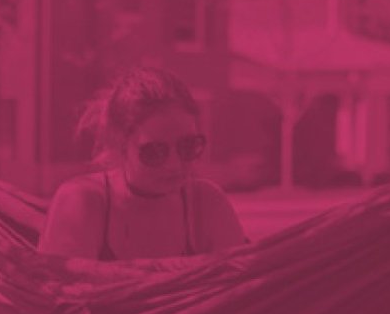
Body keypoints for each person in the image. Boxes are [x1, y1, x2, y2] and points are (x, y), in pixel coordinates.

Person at [39, 66, 248, 261]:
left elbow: (238, 283)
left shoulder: (205, 205)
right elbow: (61, 286)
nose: (174, 165)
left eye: (188, 146)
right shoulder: (84, 203)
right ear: (120, 143)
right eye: (155, 152)